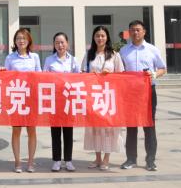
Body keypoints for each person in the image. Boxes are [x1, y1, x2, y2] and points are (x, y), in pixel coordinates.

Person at [120, 20, 166, 172]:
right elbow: (119, 71)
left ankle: (150, 160)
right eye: (132, 30)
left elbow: (162, 68)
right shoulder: (124, 51)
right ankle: (131, 159)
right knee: (131, 126)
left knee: (149, 126)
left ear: (144, 32)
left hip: (148, 92)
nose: (135, 32)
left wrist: (155, 74)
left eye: (138, 30)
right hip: (130, 93)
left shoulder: (152, 50)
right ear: (129, 32)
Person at [81, 26, 125, 171]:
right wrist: (90, 76)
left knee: (108, 128)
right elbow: (82, 74)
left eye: (102, 36)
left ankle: (106, 158)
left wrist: (110, 75)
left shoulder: (114, 55)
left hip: (108, 96)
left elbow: (121, 75)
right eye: (97, 36)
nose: (100, 38)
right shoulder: (89, 54)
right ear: (93, 38)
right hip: (93, 96)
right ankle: (97, 158)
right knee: (95, 128)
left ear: (107, 38)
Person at [5, 28, 41, 173]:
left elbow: (40, 76)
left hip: (31, 98)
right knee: (16, 130)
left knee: (32, 130)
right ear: (15, 41)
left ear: (28, 40)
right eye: (18, 38)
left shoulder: (35, 57)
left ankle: (31, 162)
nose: (21, 41)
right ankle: (18, 162)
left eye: (24, 38)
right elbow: (6, 78)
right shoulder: (10, 58)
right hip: (16, 97)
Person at [44, 32, 79, 172]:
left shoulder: (73, 60)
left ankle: (68, 160)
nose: (60, 45)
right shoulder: (49, 60)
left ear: (67, 44)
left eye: (62, 42)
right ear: (54, 45)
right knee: (55, 132)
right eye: (57, 42)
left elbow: (79, 78)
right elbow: (44, 78)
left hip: (69, 100)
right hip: (55, 100)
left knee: (68, 132)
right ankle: (57, 160)